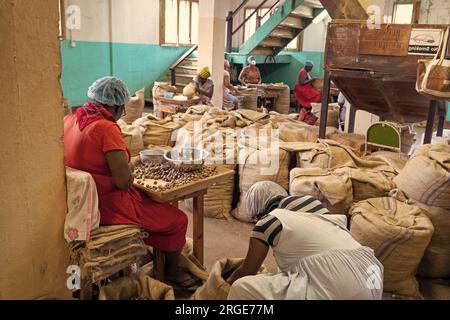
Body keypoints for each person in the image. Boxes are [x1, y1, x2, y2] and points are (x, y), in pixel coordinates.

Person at [64, 76, 196, 288]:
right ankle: (171, 271)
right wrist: (130, 168)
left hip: (81, 203)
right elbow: (124, 182)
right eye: (122, 108)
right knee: (177, 219)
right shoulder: (106, 128)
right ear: (116, 106)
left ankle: (153, 259)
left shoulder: (71, 120)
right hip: (106, 206)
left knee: (155, 205)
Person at [227, 181, 384, 300]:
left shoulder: (268, 221)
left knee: (241, 287)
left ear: (259, 211)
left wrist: (222, 285)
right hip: (372, 277)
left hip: (340, 283)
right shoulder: (318, 209)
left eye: (255, 217)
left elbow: (247, 271)